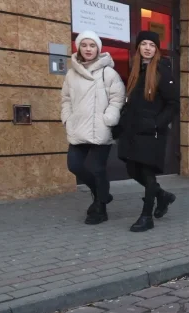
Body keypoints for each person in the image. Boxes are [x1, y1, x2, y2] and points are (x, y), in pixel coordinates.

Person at [115, 31, 180, 233]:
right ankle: (162, 196)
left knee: (147, 172)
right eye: (143, 43)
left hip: (152, 132)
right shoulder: (136, 71)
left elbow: (173, 104)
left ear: (157, 49)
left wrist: (156, 124)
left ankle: (146, 216)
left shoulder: (163, 71)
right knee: (132, 170)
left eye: (152, 44)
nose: (148, 48)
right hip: (134, 131)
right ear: (138, 48)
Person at [61, 30, 125, 225]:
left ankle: (100, 208)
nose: (88, 49)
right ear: (78, 47)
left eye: (92, 45)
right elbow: (65, 99)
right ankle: (102, 194)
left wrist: (109, 118)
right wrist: (67, 118)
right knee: (75, 165)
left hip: (100, 127)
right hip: (78, 126)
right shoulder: (71, 74)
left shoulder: (108, 72)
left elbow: (118, 98)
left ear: (98, 48)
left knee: (96, 169)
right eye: (84, 45)